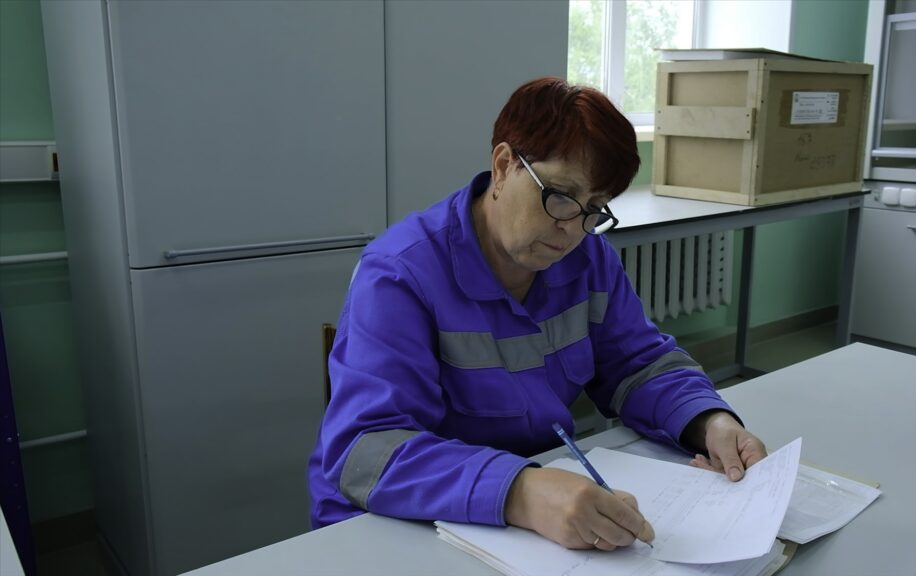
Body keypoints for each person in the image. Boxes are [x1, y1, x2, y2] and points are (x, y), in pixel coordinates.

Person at [308, 76, 767, 550]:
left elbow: (639, 363)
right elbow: (364, 452)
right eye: (560, 196)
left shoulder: (588, 258)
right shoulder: (399, 275)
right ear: (504, 165)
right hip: (393, 525)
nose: (571, 229)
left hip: (528, 511)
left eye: (594, 208)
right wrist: (521, 492)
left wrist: (708, 421)